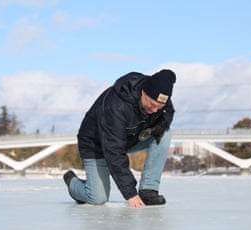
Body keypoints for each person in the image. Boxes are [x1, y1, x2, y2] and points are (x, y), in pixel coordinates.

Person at [63, 69, 176, 208]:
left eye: (159, 107)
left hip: (127, 139)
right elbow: (114, 149)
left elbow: (168, 111)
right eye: (152, 105)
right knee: (98, 198)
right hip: (95, 145)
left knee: (164, 134)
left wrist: (162, 124)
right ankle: (73, 183)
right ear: (144, 92)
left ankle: (148, 189)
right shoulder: (116, 105)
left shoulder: (159, 95)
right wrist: (130, 193)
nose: (154, 110)